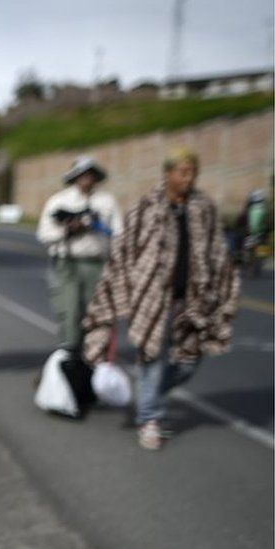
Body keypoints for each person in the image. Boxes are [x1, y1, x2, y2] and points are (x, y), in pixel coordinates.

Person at [82, 147, 239, 450]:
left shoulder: (203, 208)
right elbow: (125, 252)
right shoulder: (147, 208)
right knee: (152, 358)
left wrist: (223, 290)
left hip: (192, 300)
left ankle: (146, 396)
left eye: (193, 172)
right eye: (183, 172)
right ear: (167, 174)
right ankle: (150, 419)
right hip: (153, 299)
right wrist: (118, 290)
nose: (188, 178)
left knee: (189, 362)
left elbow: (217, 253)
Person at [36, 156, 123, 355]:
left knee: (96, 314)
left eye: (89, 174)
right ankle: (68, 356)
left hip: (97, 263)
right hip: (67, 263)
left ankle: (92, 356)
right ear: (74, 177)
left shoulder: (106, 201)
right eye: (81, 175)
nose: (86, 178)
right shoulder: (59, 201)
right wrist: (69, 230)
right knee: (70, 311)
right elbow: (43, 235)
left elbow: (119, 233)